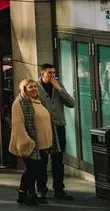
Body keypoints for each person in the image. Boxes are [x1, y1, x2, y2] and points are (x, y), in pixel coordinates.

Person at [10, 78, 57, 206]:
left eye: (35, 87)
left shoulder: (39, 101)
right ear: (24, 89)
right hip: (30, 144)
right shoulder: (19, 103)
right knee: (31, 171)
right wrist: (27, 142)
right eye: (30, 87)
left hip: (43, 145)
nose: (34, 89)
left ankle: (26, 194)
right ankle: (27, 194)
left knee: (39, 171)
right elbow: (18, 124)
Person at [35, 63, 75, 201]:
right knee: (42, 160)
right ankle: (41, 190)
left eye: (54, 73)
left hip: (58, 127)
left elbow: (71, 103)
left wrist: (59, 89)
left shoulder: (58, 86)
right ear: (42, 74)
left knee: (58, 160)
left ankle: (59, 190)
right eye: (50, 73)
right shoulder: (35, 87)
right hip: (43, 129)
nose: (53, 76)